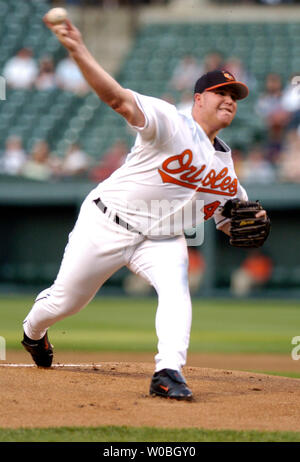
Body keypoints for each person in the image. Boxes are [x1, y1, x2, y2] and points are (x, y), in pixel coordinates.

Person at [21, 15, 269, 401]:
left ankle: (167, 372)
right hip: (106, 222)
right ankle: (32, 333)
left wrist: (249, 223)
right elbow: (117, 98)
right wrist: (78, 49)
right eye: (222, 92)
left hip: (162, 240)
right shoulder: (169, 122)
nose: (229, 101)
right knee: (65, 301)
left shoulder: (226, 169)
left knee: (176, 291)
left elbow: (229, 219)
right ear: (198, 99)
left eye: (234, 96)